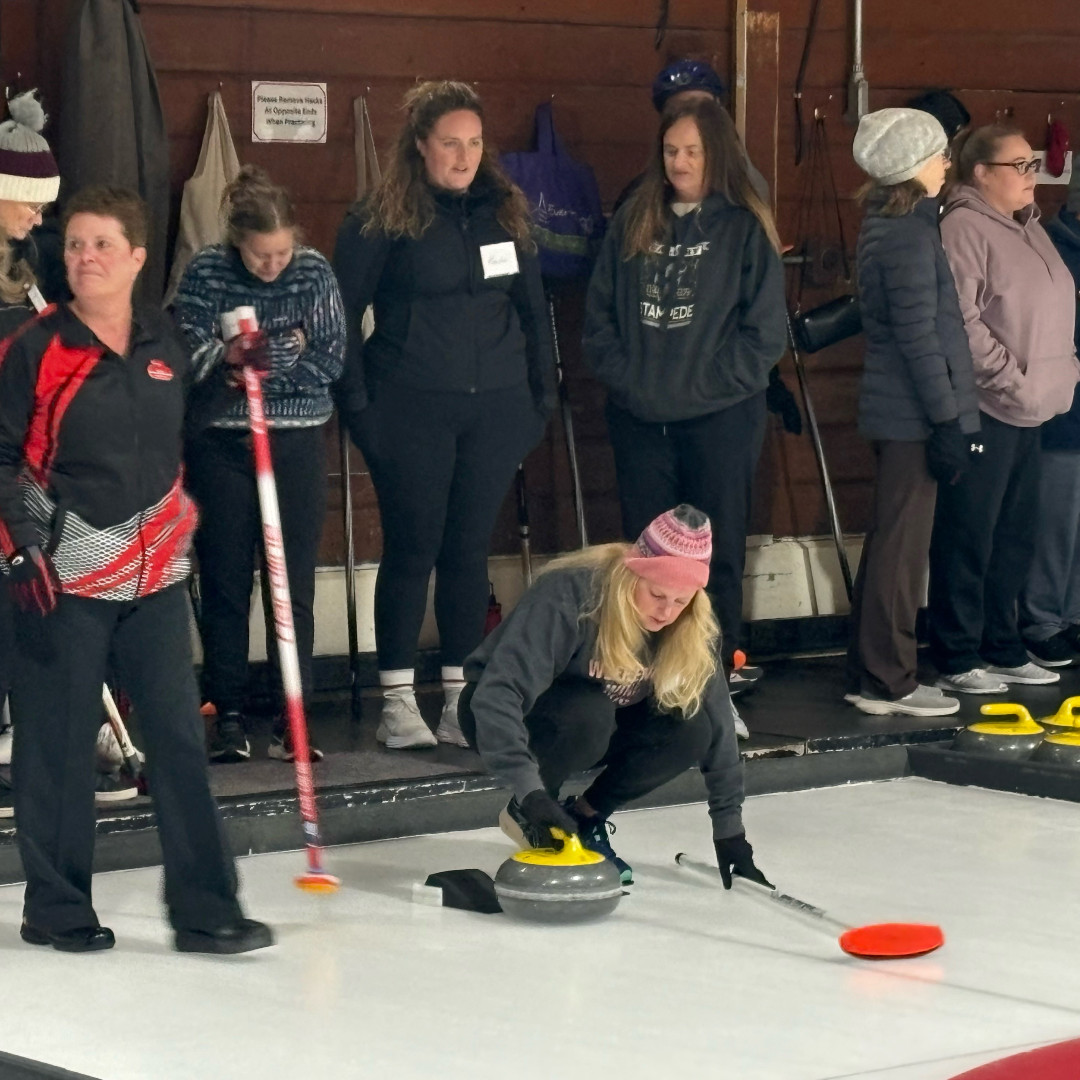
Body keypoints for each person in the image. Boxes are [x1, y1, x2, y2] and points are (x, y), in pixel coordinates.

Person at [0, 185, 271, 953]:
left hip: (151, 575)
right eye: (76, 244)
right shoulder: (34, 347)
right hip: (60, 574)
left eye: (102, 245)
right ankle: (56, 907)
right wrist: (16, 547)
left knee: (180, 743)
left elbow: (183, 425)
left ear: (138, 258)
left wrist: (232, 379)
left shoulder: (164, 339)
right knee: (57, 746)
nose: (86, 258)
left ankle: (207, 909)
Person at [333, 81, 555, 751]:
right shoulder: (381, 216)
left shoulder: (505, 214)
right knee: (413, 546)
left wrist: (541, 400)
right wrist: (360, 407)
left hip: (497, 409)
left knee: (467, 551)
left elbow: (532, 310)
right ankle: (398, 702)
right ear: (422, 145)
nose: (463, 156)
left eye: (474, 143)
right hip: (407, 409)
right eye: (450, 143)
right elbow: (339, 314)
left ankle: (462, 700)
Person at [584, 96, 786, 697]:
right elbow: (598, 320)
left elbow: (765, 334)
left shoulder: (745, 227)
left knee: (713, 562)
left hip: (720, 420)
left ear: (716, 154)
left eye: (692, 151)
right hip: (641, 417)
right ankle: (642, 682)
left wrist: (705, 386)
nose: (679, 162)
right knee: (644, 561)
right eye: (671, 150)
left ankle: (713, 689)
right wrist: (632, 381)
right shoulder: (634, 219)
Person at [459, 504, 769, 890]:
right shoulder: (574, 594)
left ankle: (585, 819)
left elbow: (720, 726)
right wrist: (531, 791)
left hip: (598, 722)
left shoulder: (691, 623)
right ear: (631, 573)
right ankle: (532, 812)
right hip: (503, 715)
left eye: (681, 600)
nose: (666, 612)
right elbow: (498, 694)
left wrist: (730, 834)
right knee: (588, 715)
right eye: (656, 594)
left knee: (692, 728)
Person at [174, 166, 345, 764]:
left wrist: (286, 355)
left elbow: (331, 356)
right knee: (223, 580)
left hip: (294, 439)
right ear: (236, 242)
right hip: (224, 443)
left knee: (289, 583)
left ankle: (291, 715)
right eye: (260, 255)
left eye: (281, 252)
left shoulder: (314, 272)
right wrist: (225, 356)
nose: (273, 265)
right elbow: (182, 348)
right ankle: (227, 714)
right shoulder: (207, 271)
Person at [930, 125, 1080, 693]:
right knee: (970, 531)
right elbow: (962, 321)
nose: (1031, 175)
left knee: (1015, 534)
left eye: (1033, 163)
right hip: (990, 405)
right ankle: (956, 652)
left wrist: (1061, 370)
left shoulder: (1031, 226)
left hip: (1036, 406)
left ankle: (1002, 642)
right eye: (1018, 165)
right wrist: (1008, 377)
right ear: (980, 174)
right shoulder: (964, 228)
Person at [844, 109, 980, 717]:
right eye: (940, 154)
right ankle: (888, 679)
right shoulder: (906, 233)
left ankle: (873, 667)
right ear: (914, 165)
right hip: (910, 416)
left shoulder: (901, 225)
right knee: (901, 553)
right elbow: (920, 339)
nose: (947, 163)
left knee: (893, 547)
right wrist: (946, 419)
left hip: (904, 411)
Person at [1018, 164, 1080, 664]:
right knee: (1055, 524)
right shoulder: (1049, 250)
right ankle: (1041, 619)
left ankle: (1074, 616)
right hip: (1063, 411)